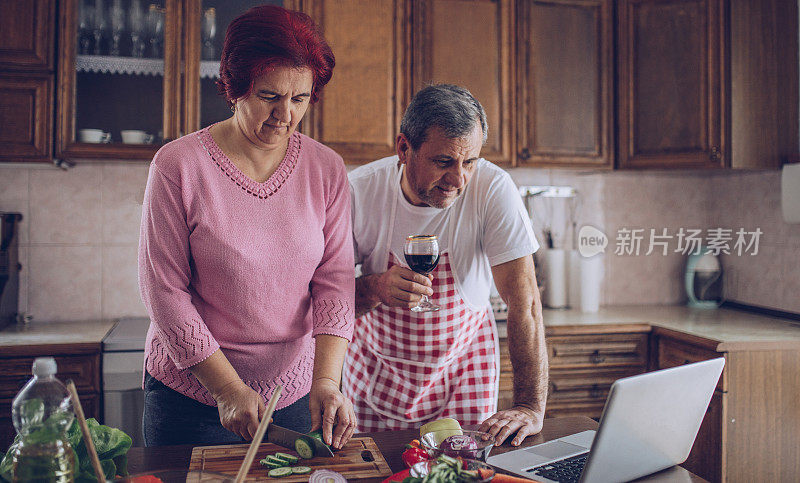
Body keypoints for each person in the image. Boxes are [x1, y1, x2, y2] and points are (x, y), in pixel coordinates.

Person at [138, 5, 356, 449]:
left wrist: (327, 381)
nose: (284, 115)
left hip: (292, 396)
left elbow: (334, 284)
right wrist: (226, 388)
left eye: (299, 100)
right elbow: (163, 290)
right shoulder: (178, 165)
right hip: (192, 397)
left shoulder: (326, 169)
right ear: (235, 89)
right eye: (269, 96)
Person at [343, 84, 549, 446]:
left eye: (469, 162)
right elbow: (325, 301)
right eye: (444, 162)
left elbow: (525, 304)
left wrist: (530, 407)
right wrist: (375, 287)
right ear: (404, 148)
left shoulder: (493, 189)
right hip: (374, 383)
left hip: (463, 380)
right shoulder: (360, 191)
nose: (458, 180)